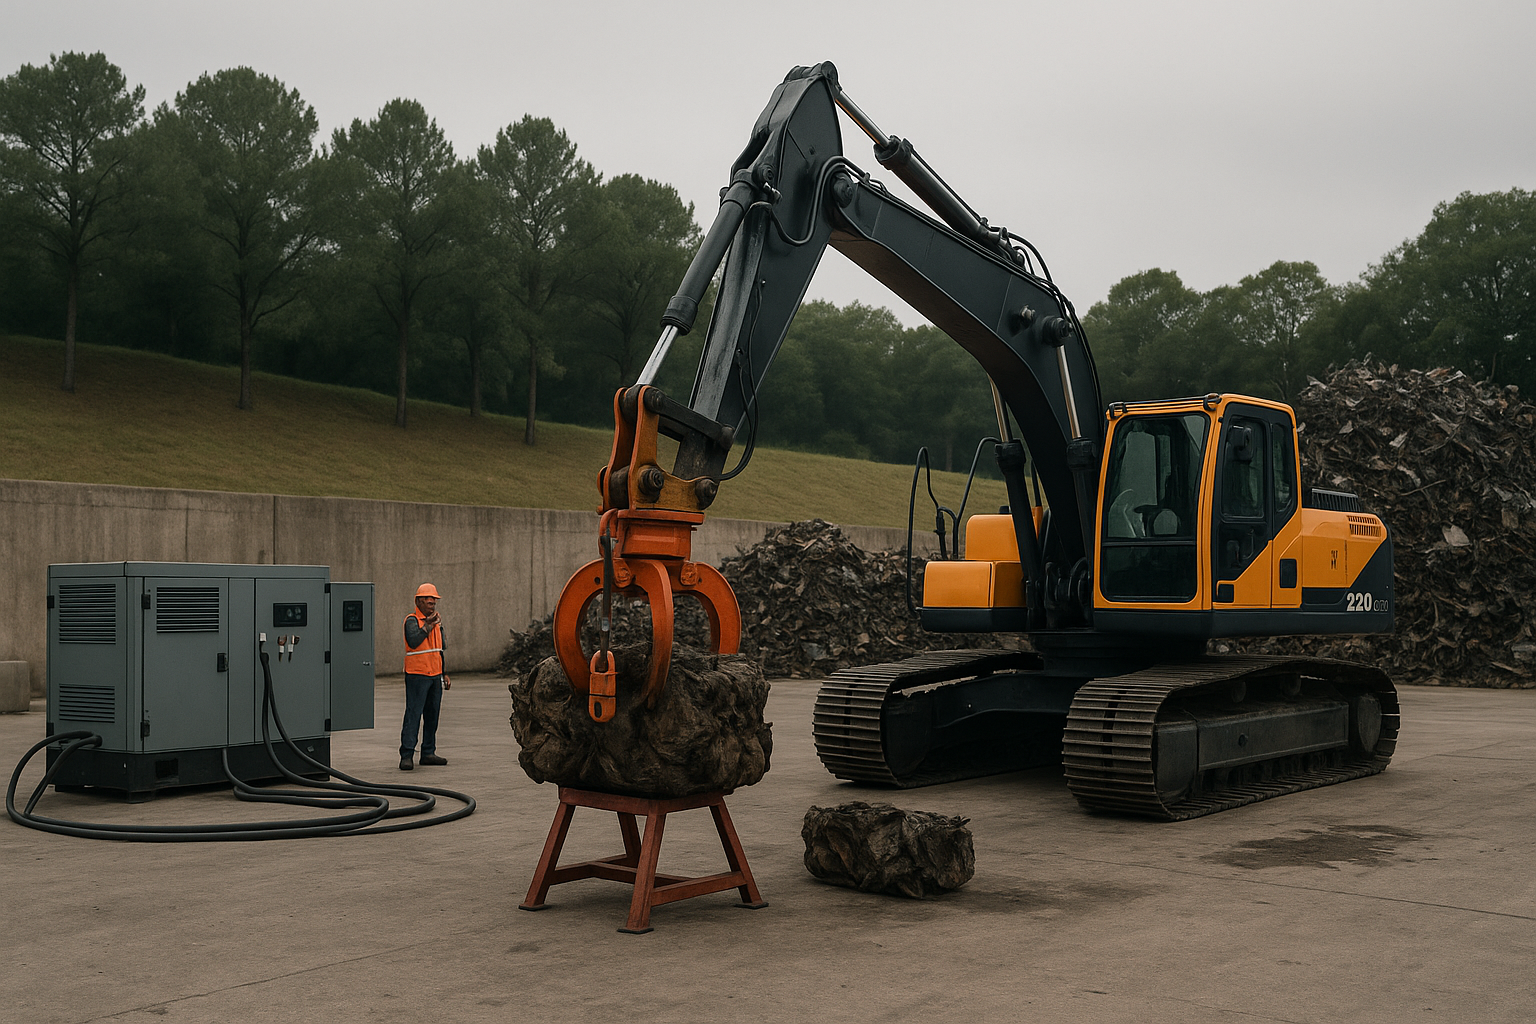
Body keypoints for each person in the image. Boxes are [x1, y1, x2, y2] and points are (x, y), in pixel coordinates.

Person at [401, 583, 451, 771]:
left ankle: (428, 752)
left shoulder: (437, 623)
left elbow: (439, 650)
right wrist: (428, 626)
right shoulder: (412, 620)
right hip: (417, 675)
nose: (432, 603)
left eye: (434, 600)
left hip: (435, 675)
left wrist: (444, 672)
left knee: (432, 715)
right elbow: (414, 641)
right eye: (428, 600)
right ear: (418, 601)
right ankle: (406, 755)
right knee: (413, 714)